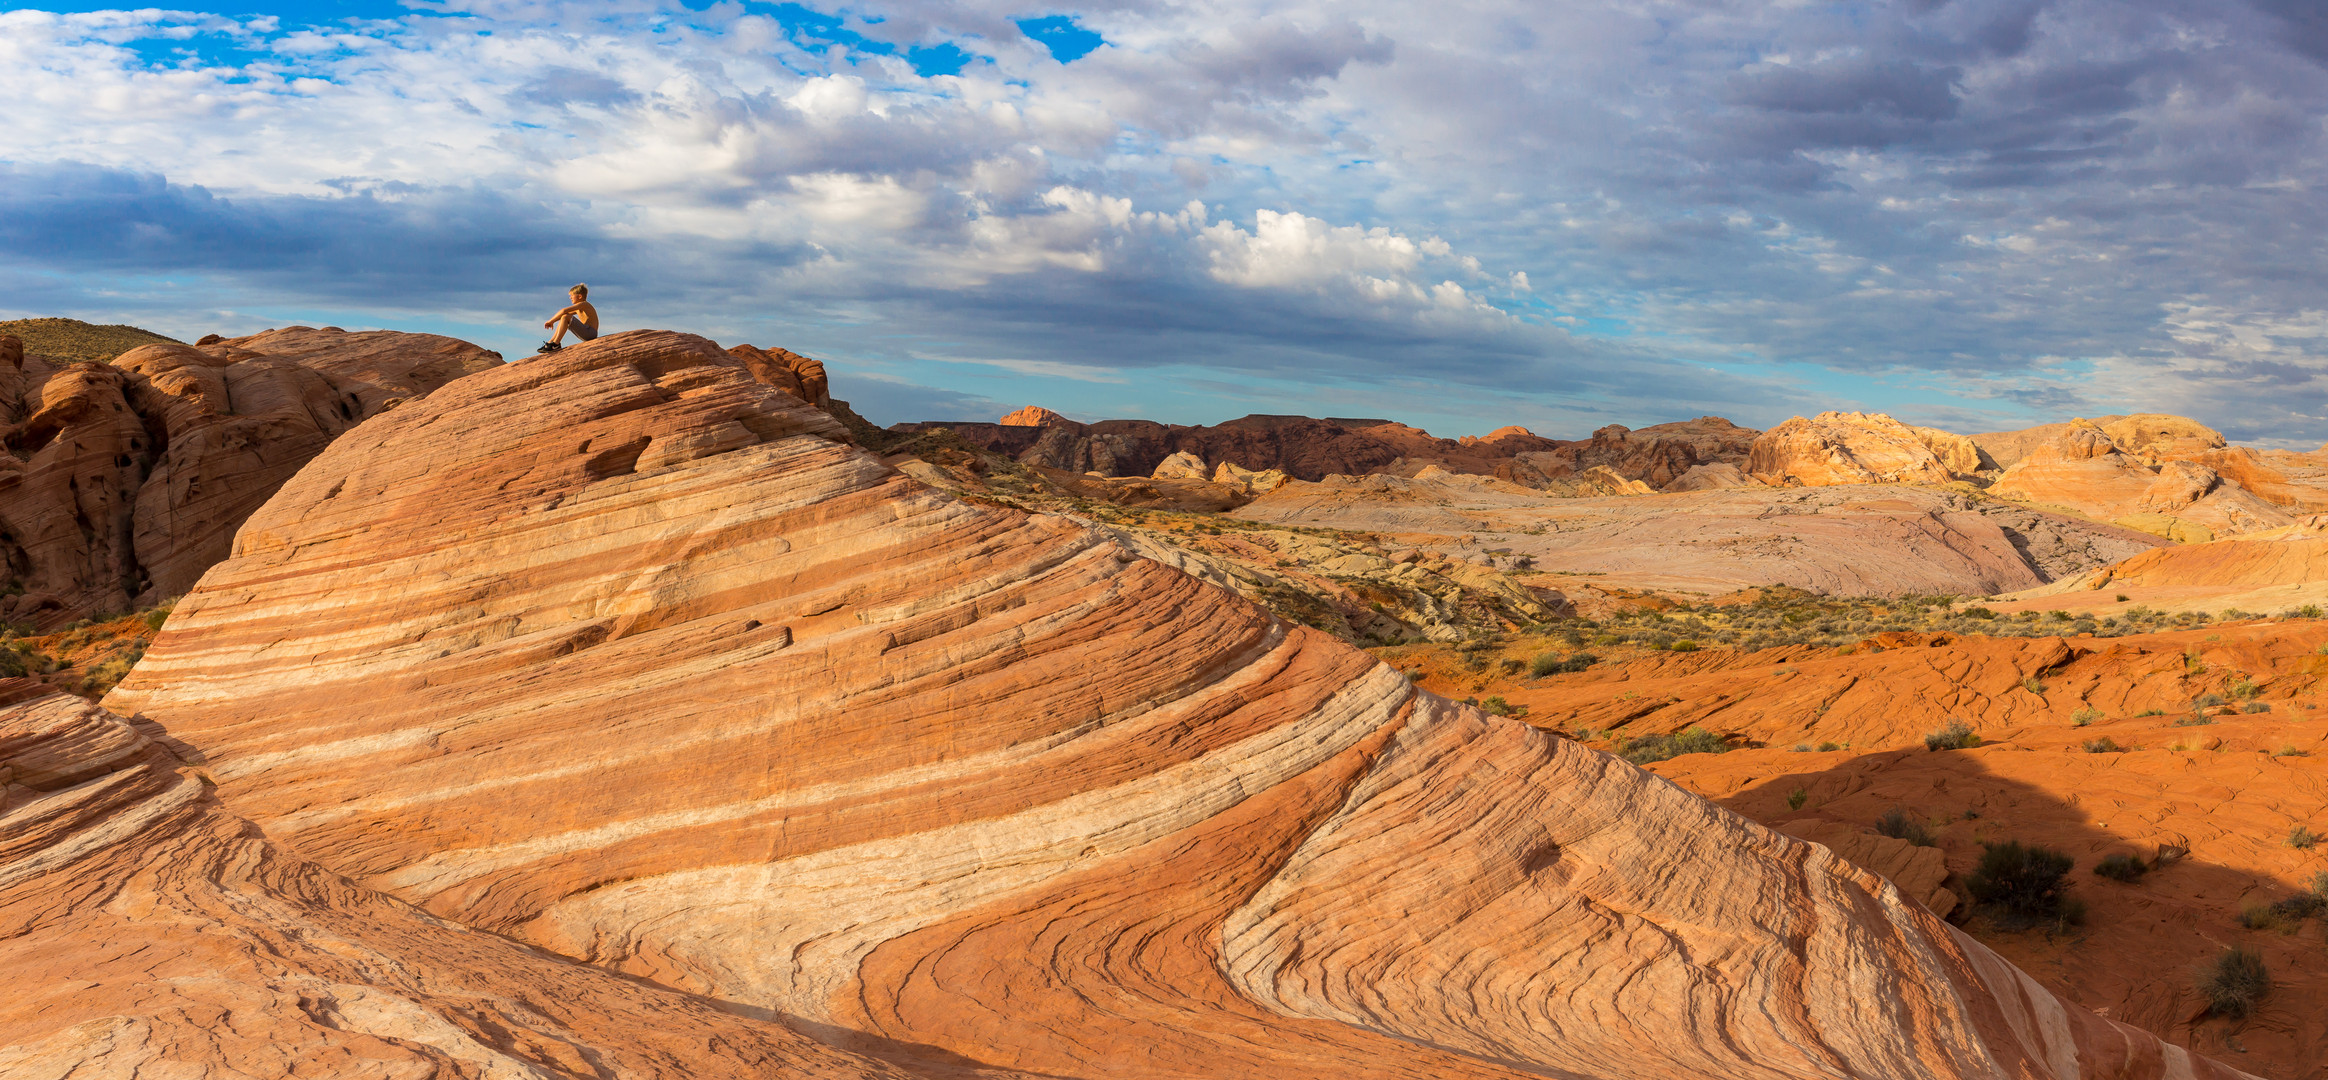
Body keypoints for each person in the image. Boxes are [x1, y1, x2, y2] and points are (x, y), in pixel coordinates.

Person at [539, 284, 598, 353]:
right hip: (587, 333)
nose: (570, 297)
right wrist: (553, 321)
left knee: (565, 316)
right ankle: (551, 342)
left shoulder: (584, 304)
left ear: (579, 296)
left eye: (572, 295)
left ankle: (556, 344)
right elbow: (563, 315)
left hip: (590, 333)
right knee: (564, 317)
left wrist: (551, 321)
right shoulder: (579, 308)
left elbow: (564, 310)